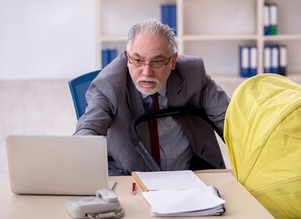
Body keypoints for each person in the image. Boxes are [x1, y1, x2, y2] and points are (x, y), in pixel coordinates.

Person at [74, 19, 230, 175]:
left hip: (194, 174)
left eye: (157, 61)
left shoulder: (193, 73)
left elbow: (230, 121)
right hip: (133, 178)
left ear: (173, 61)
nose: (147, 72)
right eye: (138, 60)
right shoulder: (108, 85)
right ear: (128, 57)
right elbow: (88, 129)